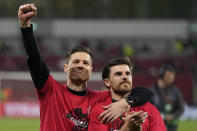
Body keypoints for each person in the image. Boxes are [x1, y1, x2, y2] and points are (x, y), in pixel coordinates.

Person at [18, 3, 153, 131]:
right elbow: (35, 58)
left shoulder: (100, 98)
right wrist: (25, 27)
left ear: (91, 70)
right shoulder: (50, 90)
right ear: (66, 67)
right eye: (76, 62)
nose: (81, 66)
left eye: (85, 63)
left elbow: (144, 92)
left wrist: (126, 102)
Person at [88, 57, 167, 131]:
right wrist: (127, 128)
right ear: (107, 82)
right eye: (118, 74)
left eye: (128, 73)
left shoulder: (149, 110)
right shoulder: (100, 112)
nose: (125, 76)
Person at [149, 65, 184, 131]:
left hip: (172, 126)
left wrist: (172, 116)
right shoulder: (151, 92)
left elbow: (181, 108)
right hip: (156, 126)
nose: (171, 78)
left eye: (172, 77)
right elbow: (147, 109)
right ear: (162, 75)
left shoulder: (176, 91)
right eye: (169, 77)